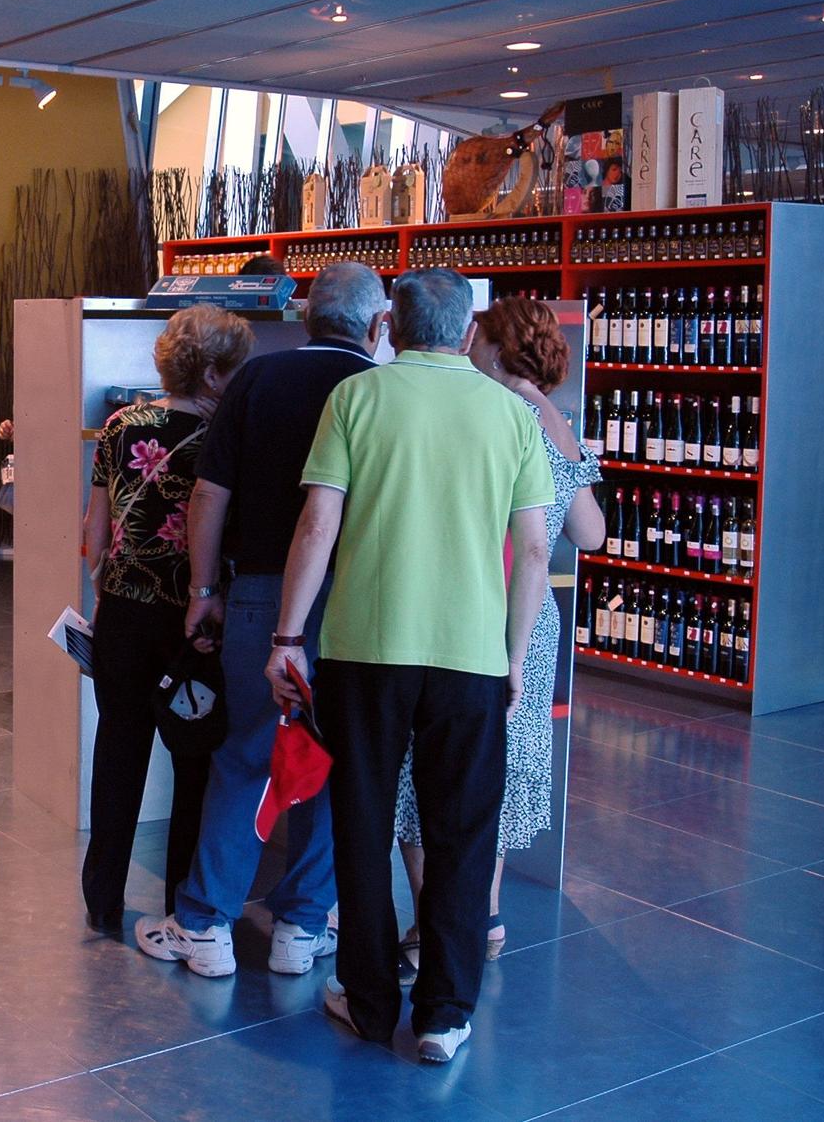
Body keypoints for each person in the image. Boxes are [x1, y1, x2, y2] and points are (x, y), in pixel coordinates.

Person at [267, 268, 552, 1065]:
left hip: (364, 650)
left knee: (359, 824)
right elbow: (534, 547)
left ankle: (366, 1001)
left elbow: (318, 525)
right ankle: (444, 1015)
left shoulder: (357, 400)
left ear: (389, 324)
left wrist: (288, 638)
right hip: (471, 658)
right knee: (462, 830)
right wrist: (515, 657)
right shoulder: (509, 415)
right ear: (467, 335)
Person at [134, 262, 386, 979]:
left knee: (244, 755)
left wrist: (203, 588)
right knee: (334, 761)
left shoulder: (257, 381)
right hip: (358, 602)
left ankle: (206, 925)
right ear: (378, 326)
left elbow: (210, 495)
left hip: (260, 594)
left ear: (305, 318)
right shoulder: (377, 391)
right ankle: (301, 929)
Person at [395, 296, 603, 976]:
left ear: (489, 344)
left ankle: (431, 925)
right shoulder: (555, 420)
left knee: (425, 763)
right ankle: (480, 915)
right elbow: (591, 534)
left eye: (474, 335)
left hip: (471, 606)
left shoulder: (486, 411)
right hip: (533, 617)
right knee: (502, 765)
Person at [81, 304, 254, 930]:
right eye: (235, 369)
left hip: (122, 614)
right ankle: (183, 903)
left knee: (118, 751)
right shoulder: (225, 438)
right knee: (195, 758)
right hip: (193, 623)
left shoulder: (121, 424)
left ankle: (102, 900)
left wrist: (106, 588)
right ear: (211, 374)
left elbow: (94, 531)